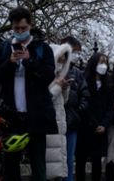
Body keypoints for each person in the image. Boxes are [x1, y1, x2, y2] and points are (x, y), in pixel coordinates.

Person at [0, 7, 58, 181]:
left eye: (23, 28)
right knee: (10, 167)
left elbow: (48, 76)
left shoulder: (42, 48)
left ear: (30, 25)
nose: (20, 32)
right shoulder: (3, 48)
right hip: (11, 117)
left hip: (36, 115)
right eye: (16, 29)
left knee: (38, 165)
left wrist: (30, 60)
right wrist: (9, 63)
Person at [75, 53, 114, 181]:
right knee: (81, 160)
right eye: (100, 63)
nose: (103, 66)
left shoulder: (108, 83)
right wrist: (94, 123)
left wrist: (104, 124)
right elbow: (82, 103)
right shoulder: (83, 79)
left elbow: (111, 107)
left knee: (97, 161)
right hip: (85, 126)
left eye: (105, 63)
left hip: (101, 128)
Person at [60, 36, 90, 181]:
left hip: (72, 123)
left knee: (69, 160)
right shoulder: (53, 68)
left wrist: (79, 111)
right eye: (75, 52)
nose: (77, 56)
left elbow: (85, 95)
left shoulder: (78, 73)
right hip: (55, 123)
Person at [46, 43, 72, 180]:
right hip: (49, 126)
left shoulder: (59, 76)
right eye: (59, 59)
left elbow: (63, 101)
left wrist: (64, 88)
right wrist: (57, 87)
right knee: (51, 166)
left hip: (59, 126)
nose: (61, 63)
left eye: (64, 60)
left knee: (58, 165)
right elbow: (45, 99)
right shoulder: (46, 76)